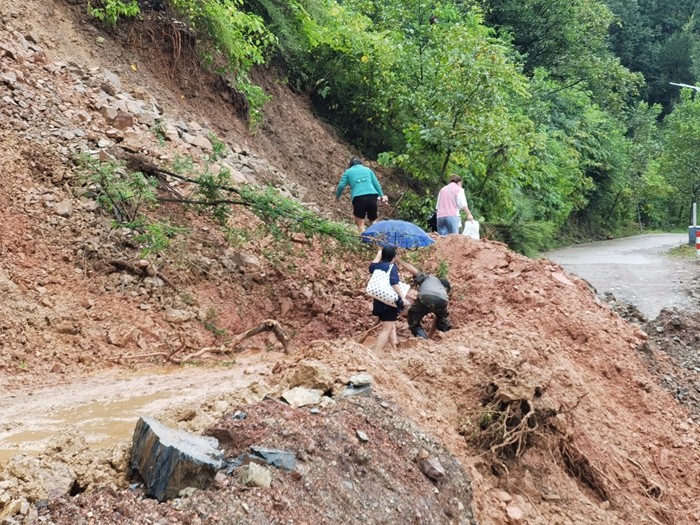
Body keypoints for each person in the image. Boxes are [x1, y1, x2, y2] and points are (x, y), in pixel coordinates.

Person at [395, 256, 452, 339]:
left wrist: (398, 259)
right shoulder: (442, 291)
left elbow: (411, 268)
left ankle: (422, 338)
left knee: (413, 318)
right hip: (443, 300)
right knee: (442, 320)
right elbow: (436, 320)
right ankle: (449, 336)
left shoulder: (428, 277)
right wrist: (430, 336)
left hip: (426, 297)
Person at [368, 246, 406, 351]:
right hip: (389, 302)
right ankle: (376, 352)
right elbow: (394, 283)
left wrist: (379, 254)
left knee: (391, 325)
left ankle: (395, 346)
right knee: (387, 329)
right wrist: (402, 297)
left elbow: (371, 266)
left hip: (379, 301)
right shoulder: (391, 267)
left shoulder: (377, 267)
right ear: (393, 257)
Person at [336, 157, 388, 233]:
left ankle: (363, 242)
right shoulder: (368, 170)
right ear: (361, 163)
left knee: (360, 223)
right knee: (373, 221)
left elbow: (341, 186)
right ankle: (376, 240)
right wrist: (382, 195)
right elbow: (376, 184)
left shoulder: (348, 172)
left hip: (358, 197)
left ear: (351, 165)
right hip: (372, 196)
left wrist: (337, 197)